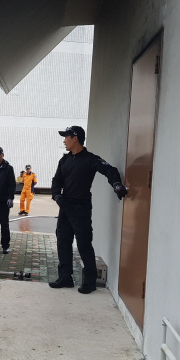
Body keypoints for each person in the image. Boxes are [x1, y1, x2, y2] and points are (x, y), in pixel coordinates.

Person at [50, 126, 127, 294]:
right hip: (65, 207)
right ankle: (65, 278)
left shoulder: (90, 159)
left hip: (81, 208)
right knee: (63, 242)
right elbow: (56, 181)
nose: (64, 140)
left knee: (84, 244)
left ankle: (90, 281)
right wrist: (56, 195)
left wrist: (116, 184)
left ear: (75, 138)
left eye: (66, 137)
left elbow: (110, 170)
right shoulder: (64, 160)